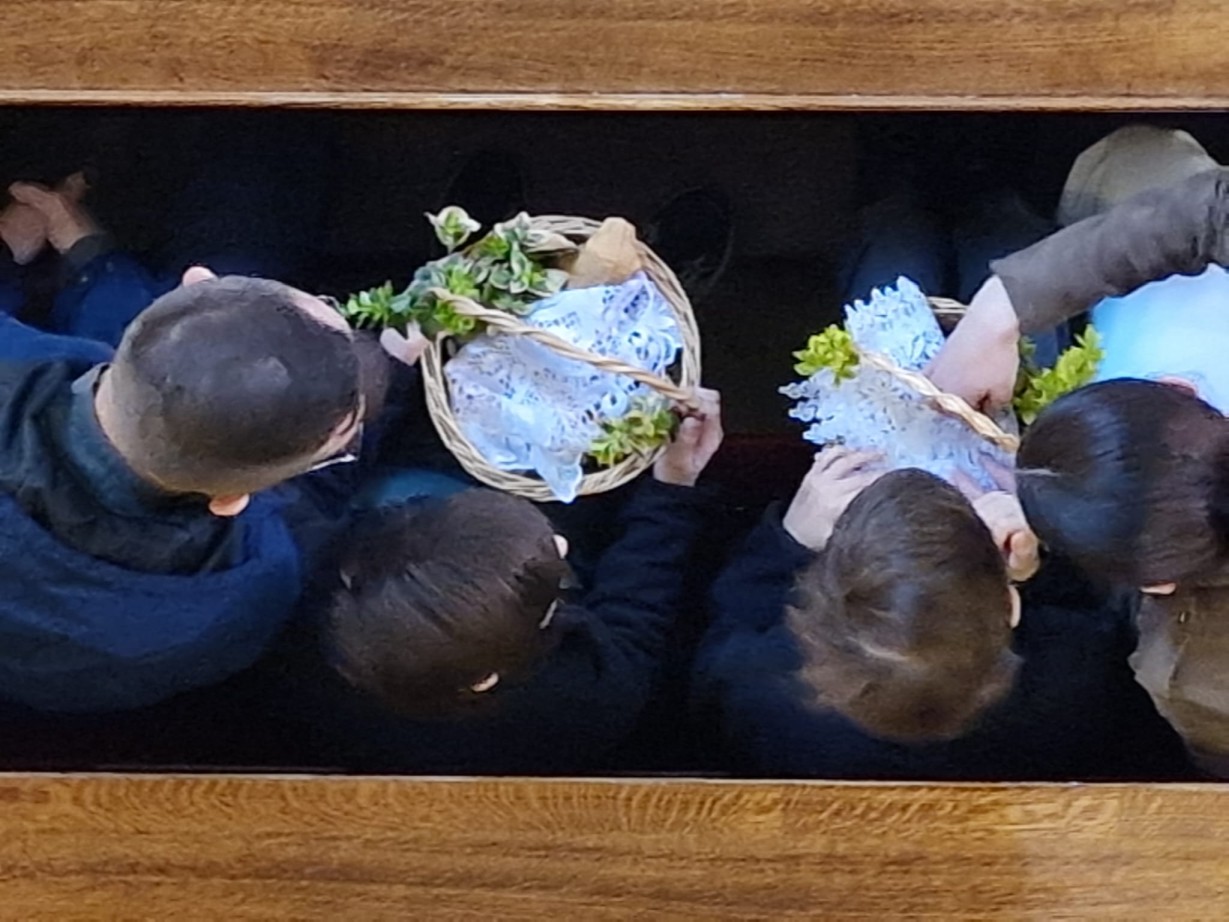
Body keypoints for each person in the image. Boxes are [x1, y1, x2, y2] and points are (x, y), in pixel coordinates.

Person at [926, 125, 1229, 775]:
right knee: (1143, 161)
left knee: (1135, 155)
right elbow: (1214, 208)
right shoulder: (1189, 679)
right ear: (1176, 387)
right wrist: (1001, 308)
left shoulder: (1183, 674)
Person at [234, 389, 723, 774]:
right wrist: (671, 487)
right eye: (548, 599)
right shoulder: (589, 699)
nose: (559, 547)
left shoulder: (286, 598)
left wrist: (396, 376)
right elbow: (637, 612)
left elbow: (307, 487)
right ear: (486, 681)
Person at [692, 447, 1187, 779]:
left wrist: (789, 539)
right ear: (1011, 605)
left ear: (818, 600)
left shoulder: (755, 686)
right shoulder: (1082, 675)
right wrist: (1043, 566)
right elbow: (1094, 612)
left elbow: (734, 611)